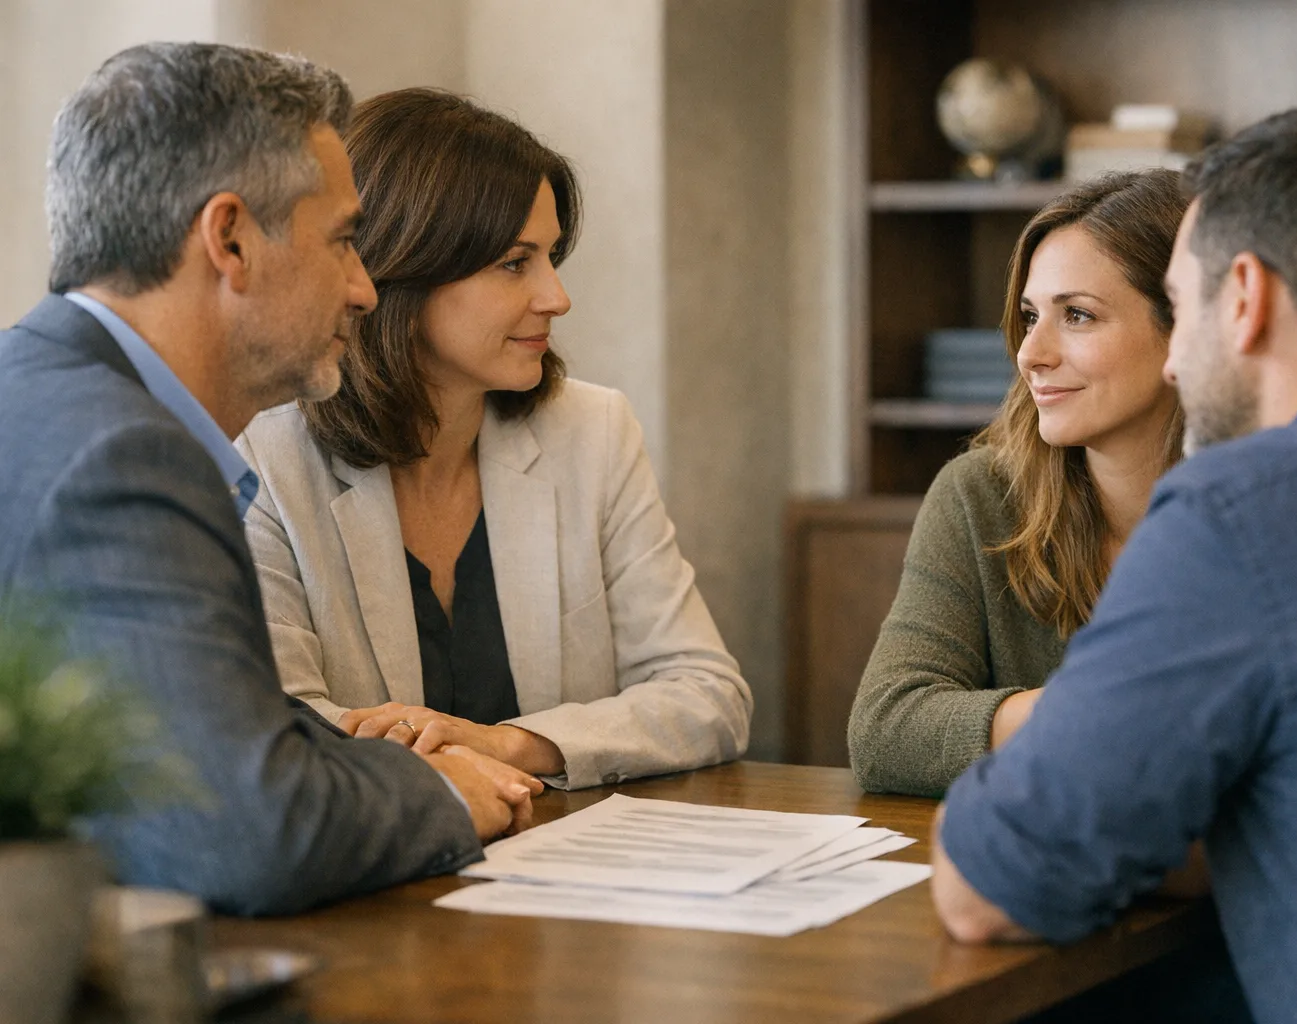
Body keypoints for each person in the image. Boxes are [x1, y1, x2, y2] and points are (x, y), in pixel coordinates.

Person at [931, 104, 1297, 1023]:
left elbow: (989, 889)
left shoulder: (1246, 510)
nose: (1175, 365)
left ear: (1245, 297)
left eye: (1185, 302)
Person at [0, 43, 538, 916]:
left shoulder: (53, 395)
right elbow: (249, 834)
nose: (366, 290)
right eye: (344, 241)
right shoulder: (120, 456)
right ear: (231, 240)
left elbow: (226, 740)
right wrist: (440, 794)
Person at [235, 88, 751, 791]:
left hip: (563, 869)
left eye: (550, 257)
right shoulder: (260, 456)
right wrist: (444, 776)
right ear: (402, 266)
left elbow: (708, 696)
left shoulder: (593, 433)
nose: (556, 296)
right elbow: (275, 725)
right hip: (373, 875)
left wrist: (510, 745)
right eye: (516, 262)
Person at [848, 170, 1185, 797]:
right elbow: (885, 730)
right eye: (1031, 316)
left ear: (1184, 330)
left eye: (1078, 315)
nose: (1031, 352)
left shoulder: (1265, 507)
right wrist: (1097, 711)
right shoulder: (980, 494)